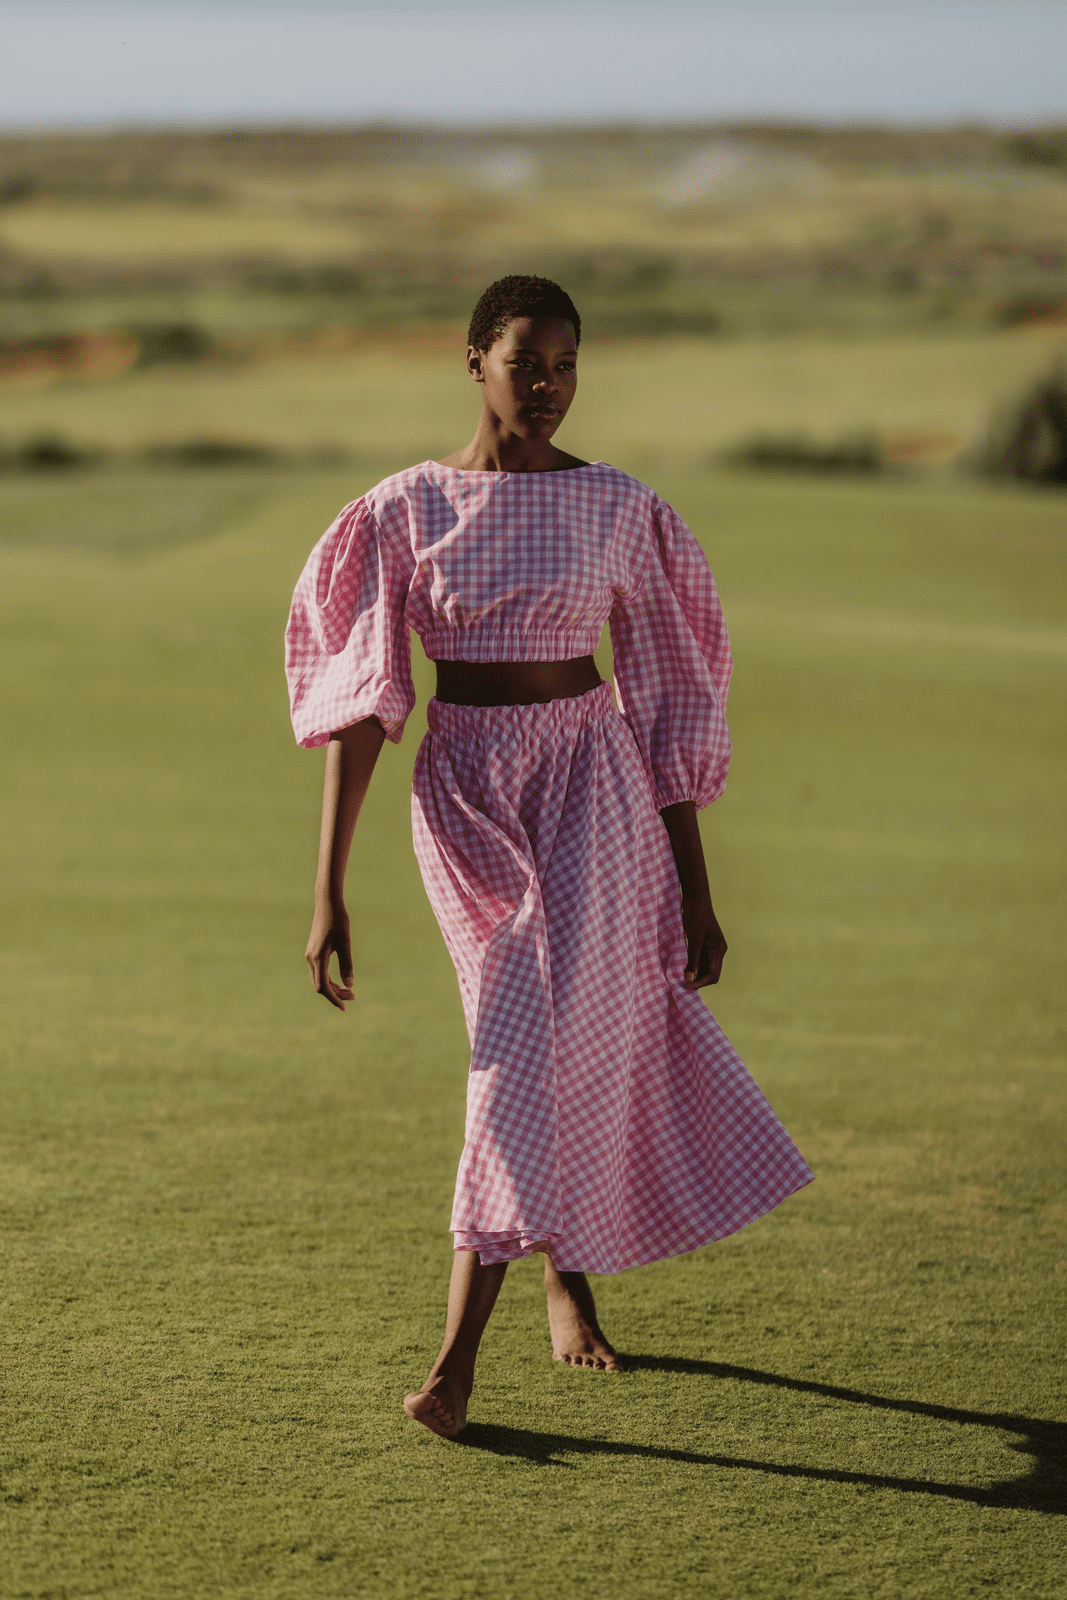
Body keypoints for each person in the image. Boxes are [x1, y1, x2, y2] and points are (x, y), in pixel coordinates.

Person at [285, 275, 813, 1440]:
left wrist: (696, 884)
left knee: (544, 1040)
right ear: (472, 359)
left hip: (593, 781)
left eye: (568, 365)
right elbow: (368, 706)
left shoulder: (624, 509)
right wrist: (326, 886)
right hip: (466, 792)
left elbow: (668, 697)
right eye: (526, 361)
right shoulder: (402, 510)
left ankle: (473, 1348)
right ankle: (542, 1274)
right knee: (517, 1032)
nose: (549, 386)